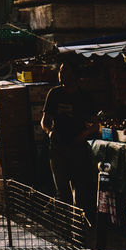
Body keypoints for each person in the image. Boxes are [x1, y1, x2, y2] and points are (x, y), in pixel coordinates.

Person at [41, 59, 97, 216]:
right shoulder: (54, 94)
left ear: (74, 73)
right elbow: (44, 121)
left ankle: (77, 227)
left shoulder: (84, 97)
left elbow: (95, 125)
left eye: (65, 70)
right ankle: (64, 226)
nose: (61, 74)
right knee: (62, 191)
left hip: (77, 148)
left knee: (79, 189)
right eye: (60, 70)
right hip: (58, 148)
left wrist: (83, 135)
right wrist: (49, 132)